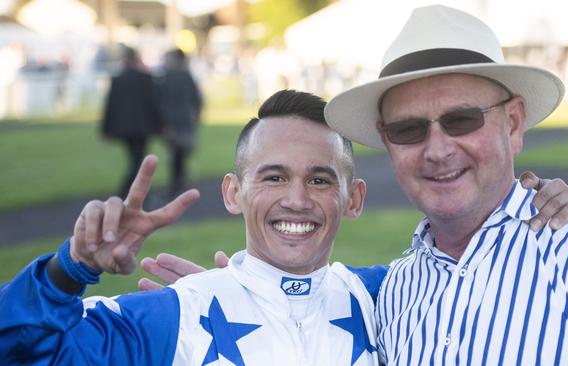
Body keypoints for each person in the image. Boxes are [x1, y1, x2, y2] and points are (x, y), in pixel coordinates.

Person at [322, 5, 568, 365]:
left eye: (461, 119)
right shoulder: (393, 293)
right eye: (407, 129)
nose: (438, 150)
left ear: (513, 123)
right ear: (388, 142)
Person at [0, 90, 385, 365]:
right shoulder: (176, 315)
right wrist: (69, 269)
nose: (297, 200)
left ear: (354, 198)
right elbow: (18, 351)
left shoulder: (387, 300)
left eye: (320, 180)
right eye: (273, 178)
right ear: (233, 193)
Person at [101, 46, 162, 199]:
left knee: (136, 160)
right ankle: (130, 192)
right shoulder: (146, 78)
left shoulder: (117, 80)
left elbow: (110, 106)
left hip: (124, 128)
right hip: (142, 128)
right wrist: (161, 125)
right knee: (137, 161)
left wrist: (105, 130)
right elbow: (153, 104)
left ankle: (133, 193)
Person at [157, 48, 203, 198]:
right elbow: (197, 99)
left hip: (173, 121)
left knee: (176, 152)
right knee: (181, 152)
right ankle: (180, 182)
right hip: (185, 120)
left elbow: (160, 101)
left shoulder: (167, 77)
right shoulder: (187, 75)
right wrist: (196, 114)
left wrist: (163, 121)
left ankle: (176, 185)